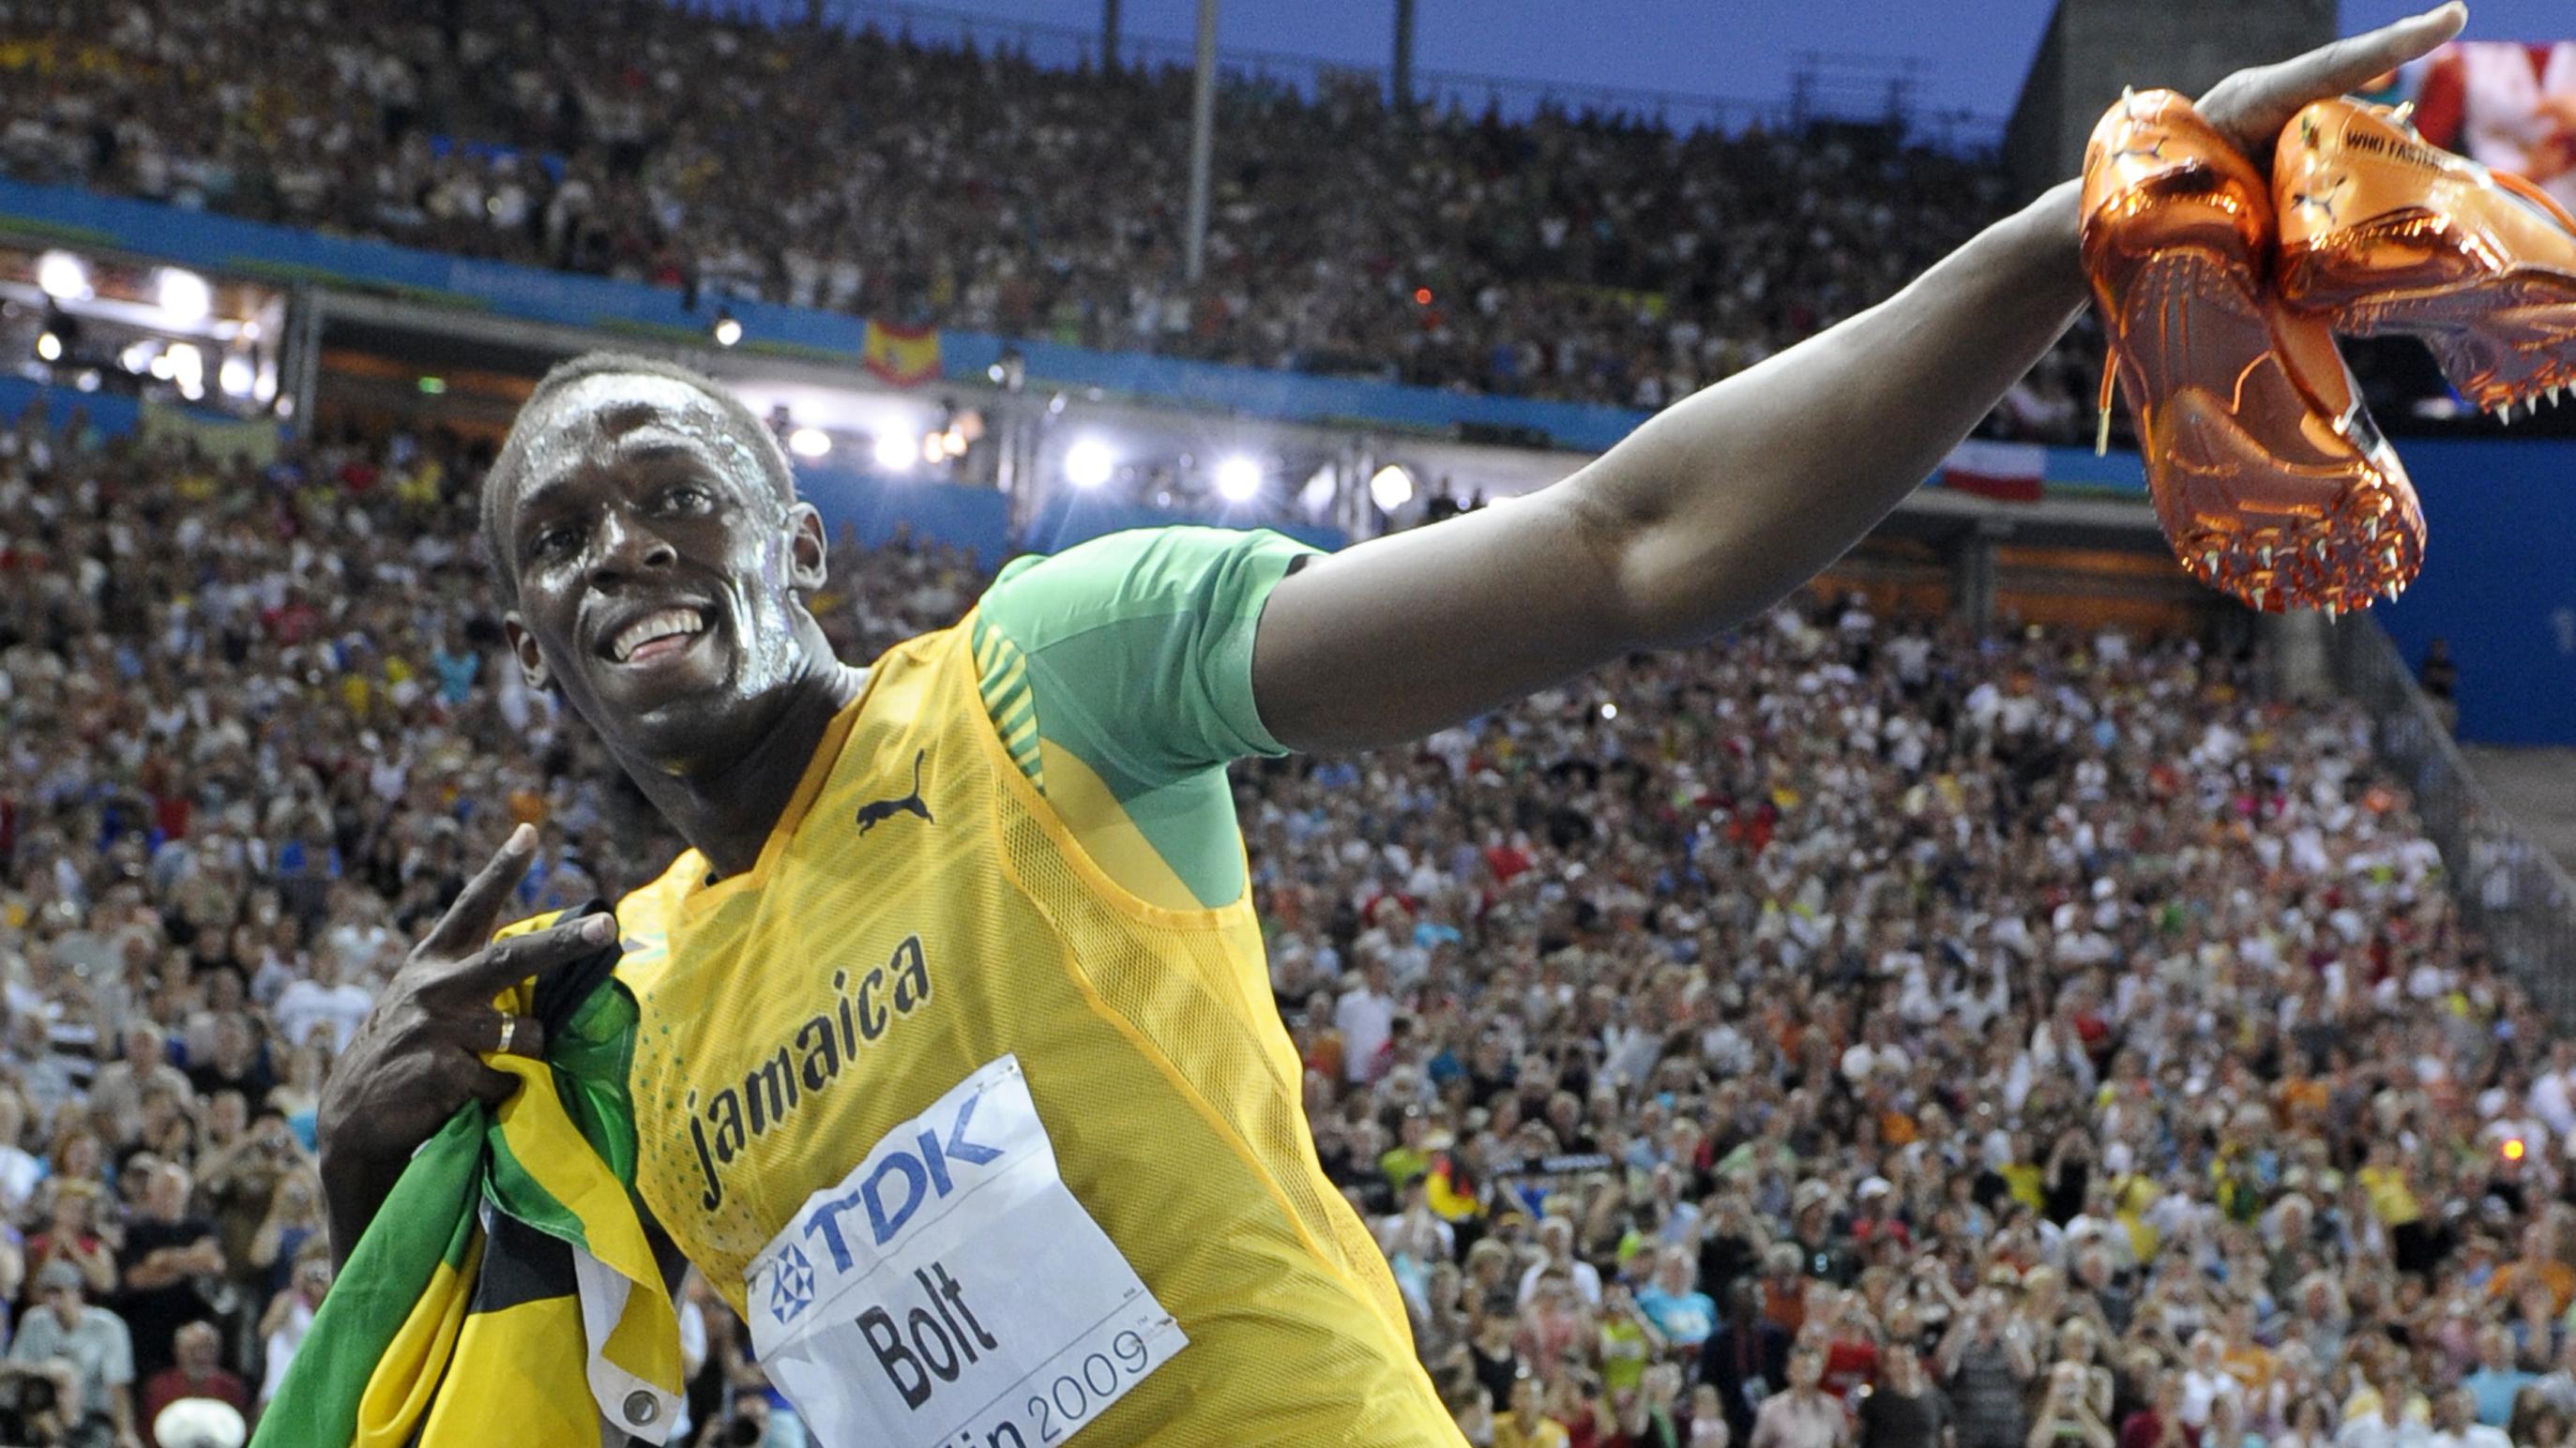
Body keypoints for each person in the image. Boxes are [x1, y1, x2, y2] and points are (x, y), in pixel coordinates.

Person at [311, 8, 2475, 1443]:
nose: (613, 547)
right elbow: (542, 1398)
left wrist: (2034, 254)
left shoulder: (1038, 670)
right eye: (554, 533)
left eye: (660, 482)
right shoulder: (630, 1012)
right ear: (531, 622)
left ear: (786, 520)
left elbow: (1632, 543)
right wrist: (364, 1175)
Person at [10, 1259, 140, 1448]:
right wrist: (47, 1371)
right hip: (44, 1414)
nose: (53, 1301)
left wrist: (125, 1432)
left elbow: (118, 1385)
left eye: (60, 1292)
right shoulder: (34, 1320)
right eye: (48, 1293)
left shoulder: (108, 1326)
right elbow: (15, 1368)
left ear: (78, 1293)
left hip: (92, 1416)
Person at [138, 1321, 250, 1445]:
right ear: (177, 1351)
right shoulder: (158, 1387)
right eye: (192, 1349)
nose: (200, 1356)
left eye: (208, 1348)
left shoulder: (232, 1388)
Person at [1751, 1345, 1849, 1448]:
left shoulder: (1833, 1407)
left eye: (1810, 1368)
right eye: (1799, 1368)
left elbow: (1843, 1444)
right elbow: (1758, 1444)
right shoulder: (1771, 1407)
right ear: (1788, 1371)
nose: (1805, 1374)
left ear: (1820, 1371)